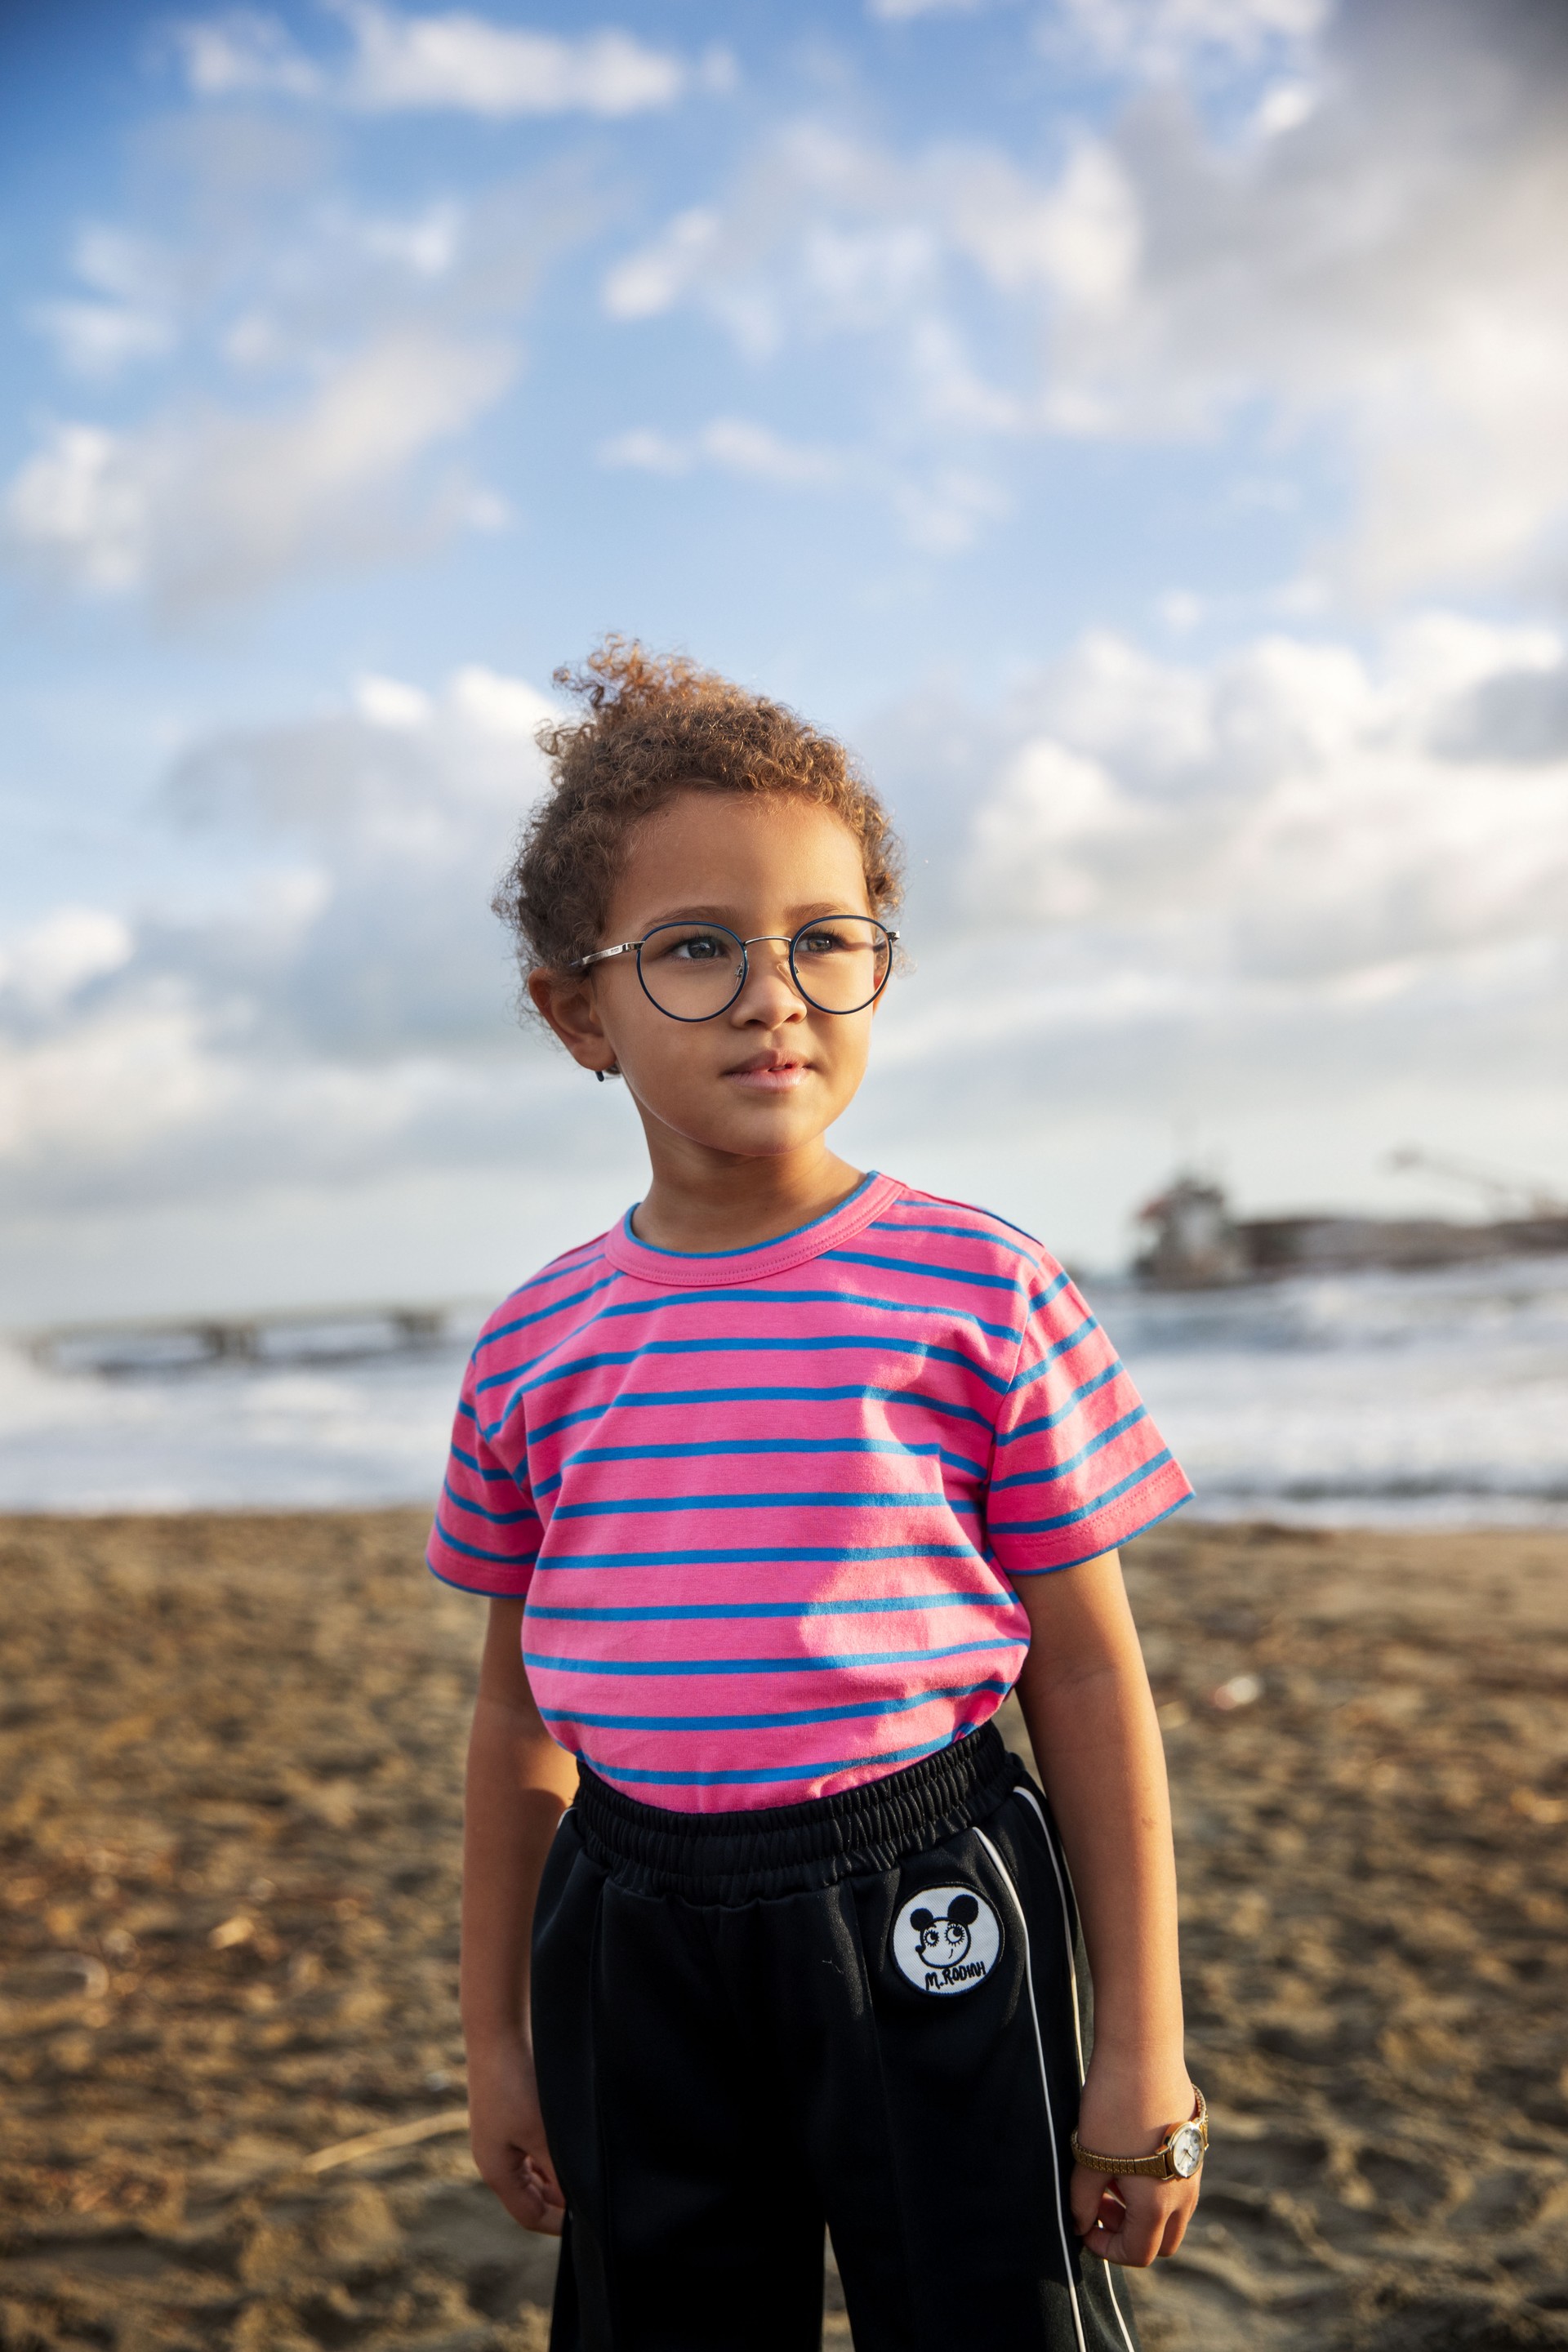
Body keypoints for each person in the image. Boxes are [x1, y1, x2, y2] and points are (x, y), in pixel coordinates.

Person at [429, 641, 1203, 2352]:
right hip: (626, 1928)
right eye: (695, 949)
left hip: (926, 1888)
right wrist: (499, 2042)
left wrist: (1140, 2045)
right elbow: (514, 1723)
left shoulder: (977, 1287)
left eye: (824, 942)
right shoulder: (537, 1342)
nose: (774, 993)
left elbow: (1083, 1677)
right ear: (578, 1010)